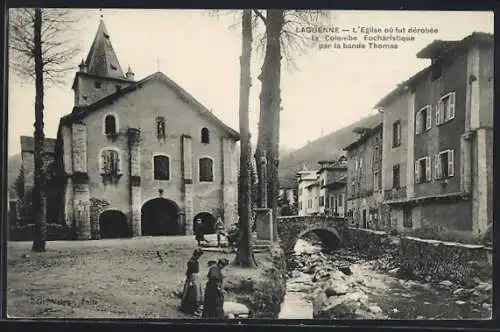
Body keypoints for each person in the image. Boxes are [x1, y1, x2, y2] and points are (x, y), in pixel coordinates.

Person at [180, 248, 204, 315]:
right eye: (199, 255)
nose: (199, 257)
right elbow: (189, 272)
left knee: (196, 293)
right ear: (196, 254)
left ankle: (195, 307)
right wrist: (190, 280)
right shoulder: (191, 262)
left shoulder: (195, 261)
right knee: (192, 293)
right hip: (192, 278)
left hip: (195, 277)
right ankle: (190, 308)